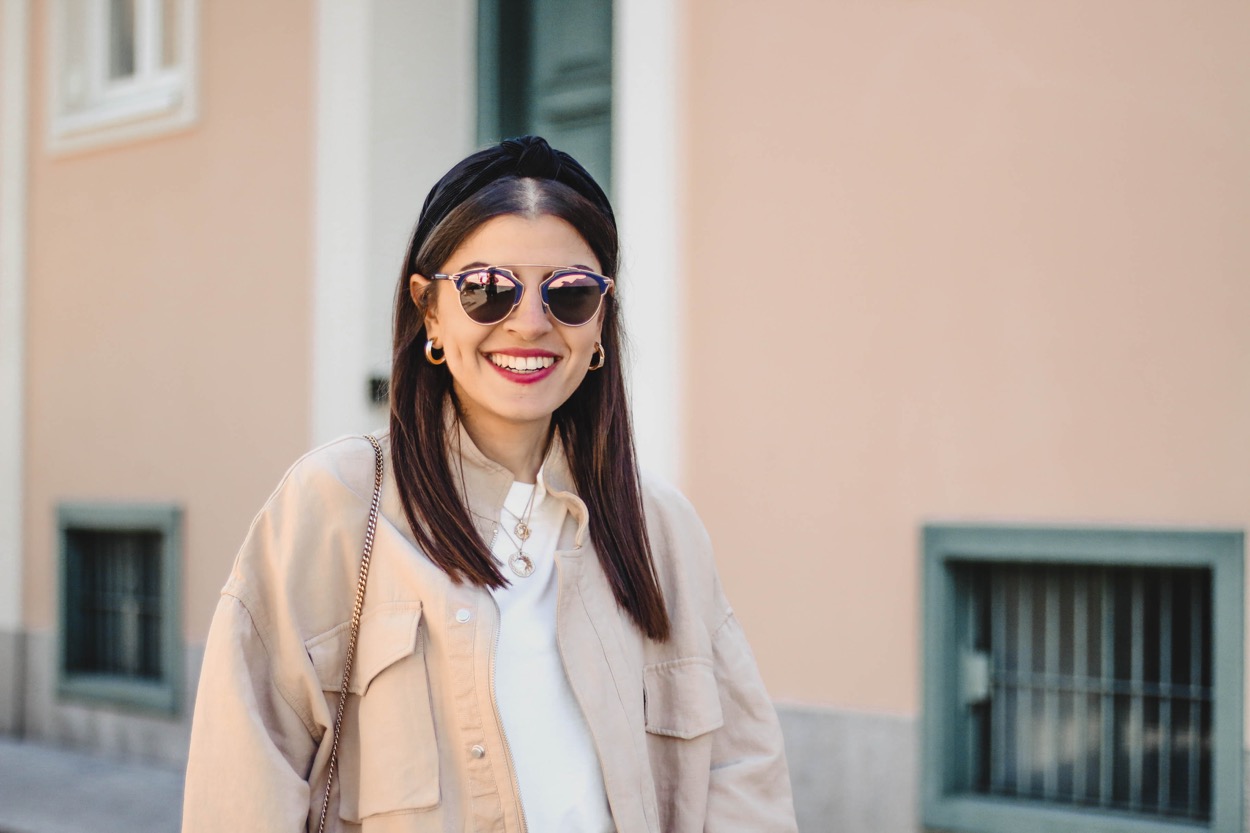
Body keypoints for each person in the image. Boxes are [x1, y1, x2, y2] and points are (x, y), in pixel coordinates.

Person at [182, 136, 796, 832]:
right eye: (486, 289)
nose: (530, 322)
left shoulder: (660, 528)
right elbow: (241, 790)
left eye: (568, 293)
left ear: (601, 322)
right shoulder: (336, 505)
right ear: (429, 309)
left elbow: (742, 779)